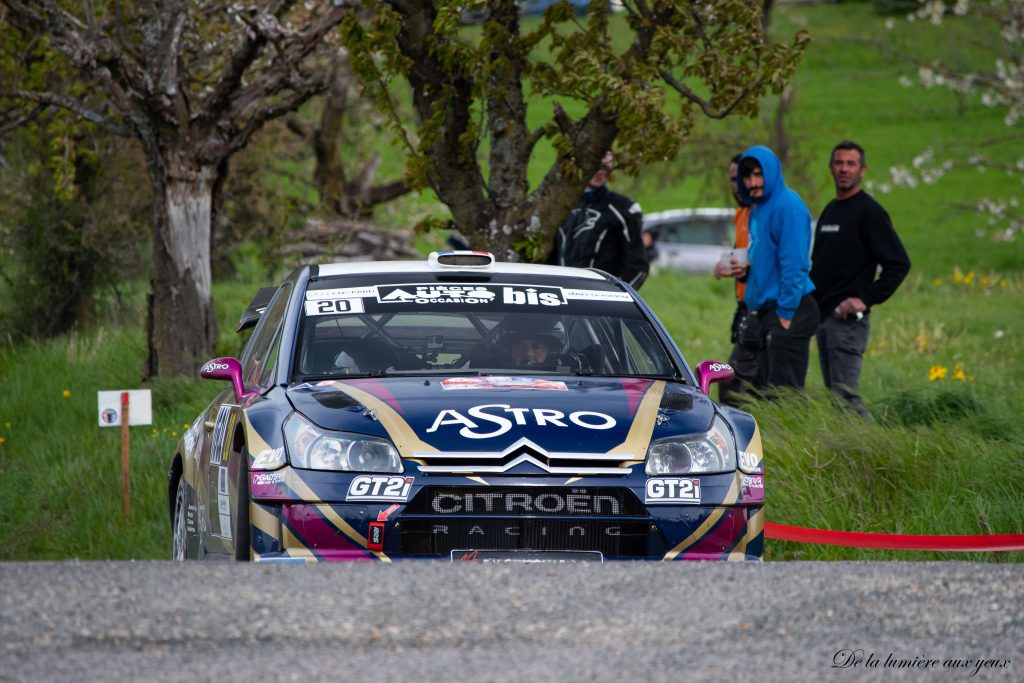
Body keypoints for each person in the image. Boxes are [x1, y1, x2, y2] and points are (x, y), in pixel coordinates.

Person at [811, 140, 911, 419]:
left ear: (862, 170)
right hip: (824, 319)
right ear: (831, 168)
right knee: (835, 398)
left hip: (847, 324)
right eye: (839, 163)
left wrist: (865, 299)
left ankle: (872, 449)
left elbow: (899, 264)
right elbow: (821, 266)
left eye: (851, 164)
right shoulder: (830, 211)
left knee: (846, 399)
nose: (844, 169)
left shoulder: (869, 212)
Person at [736, 145, 818, 390]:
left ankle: (793, 431)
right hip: (767, 311)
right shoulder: (759, 208)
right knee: (761, 392)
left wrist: (785, 314)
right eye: (748, 176)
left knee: (784, 394)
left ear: (771, 172)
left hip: (790, 309)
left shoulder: (788, 206)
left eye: (759, 174)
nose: (753, 182)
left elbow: (795, 265)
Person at [549, 151, 649, 289]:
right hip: (561, 298)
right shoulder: (560, 206)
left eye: (605, 168)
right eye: (594, 165)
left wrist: (614, 298)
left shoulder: (624, 208)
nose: (599, 172)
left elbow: (638, 267)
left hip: (600, 299)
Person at [715, 154, 758, 405]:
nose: (737, 185)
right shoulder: (741, 213)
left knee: (736, 383)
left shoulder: (761, 212)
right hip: (744, 307)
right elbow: (739, 254)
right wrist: (724, 266)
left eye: (740, 178)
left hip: (764, 310)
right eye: (733, 179)